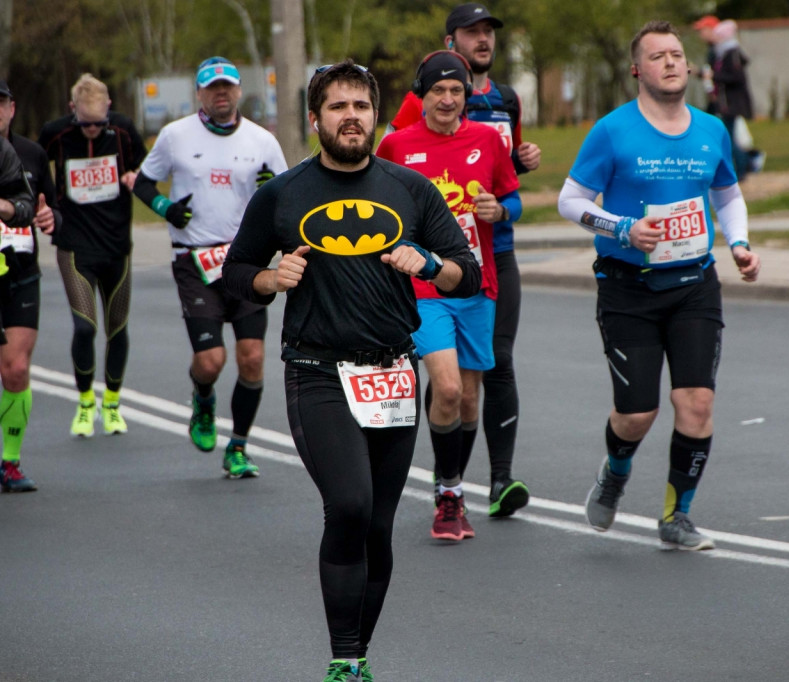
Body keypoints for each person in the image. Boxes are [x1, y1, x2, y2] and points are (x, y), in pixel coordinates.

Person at [222, 60, 480, 682]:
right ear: (316, 120)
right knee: (350, 503)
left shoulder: (409, 190)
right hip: (316, 370)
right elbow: (236, 274)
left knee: (380, 525)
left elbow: (464, 273)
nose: (351, 117)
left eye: (361, 106)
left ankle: (356, 657)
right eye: (337, 107)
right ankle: (343, 659)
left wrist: (428, 266)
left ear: (375, 115)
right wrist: (268, 277)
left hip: (392, 373)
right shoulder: (282, 195)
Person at [557, 20, 761, 551]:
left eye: (676, 54)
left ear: (688, 66)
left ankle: (677, 516)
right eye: (657, 56)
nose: (670, 62)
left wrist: (738, 242)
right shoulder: (612, 130)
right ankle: (615, 473)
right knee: (636, 413)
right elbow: (570, 201)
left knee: (695, 403)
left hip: (695, 283)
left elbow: (727, 195)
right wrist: (621, 228)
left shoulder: (711, 129)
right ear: (636, 70)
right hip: (628, 288)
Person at [387, 2, 539, 518]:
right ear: (422, 95)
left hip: (480, 277)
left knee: (471, 393)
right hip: (425, 284)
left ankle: (465, 480)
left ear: (467, 93)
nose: (448, 98)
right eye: (438, 91)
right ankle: (450, 491)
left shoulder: (489, 135)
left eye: (456, 90)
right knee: (446, 386)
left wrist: (501, 207)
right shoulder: (398, 144)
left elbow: (512, 197)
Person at [134, 57, 287, 479]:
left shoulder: (262, 140)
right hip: (194, 259)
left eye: (228, 87)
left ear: (239, 91)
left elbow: (287, 193)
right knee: (211, 360)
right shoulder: (174, 136)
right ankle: (203, 398)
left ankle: (237, 446)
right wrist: (165, 207)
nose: (221, 94)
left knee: (253, 358)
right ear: (199, 94)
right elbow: (143, 183)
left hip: (245, 260)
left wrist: (270, 192)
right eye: (212, 88)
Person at [38, 74, 147, 439]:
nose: (92, 130)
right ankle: (86, 401)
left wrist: (135, 176)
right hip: (74, 246)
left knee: (118, 329)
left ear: (109, 110)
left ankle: (112, 403)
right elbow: (36, 172)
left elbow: (147, 170)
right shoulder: (55, 133)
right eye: (85, 124)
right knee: (85, 327)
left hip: (117, 245)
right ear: (72, 112)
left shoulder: (123, 131)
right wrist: (48, 206)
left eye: (99, 123)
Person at [0, 80, 60, 493]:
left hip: (20, 270)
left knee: (17, 368)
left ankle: (10, 461)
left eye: (0, 104)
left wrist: (49, 217)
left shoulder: (29, 153)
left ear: (12, 107)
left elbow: (45, 203)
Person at [703, 19, 765, 181]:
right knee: (729, 135)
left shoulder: (731, 53)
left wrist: (714, 76)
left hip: (733, 104)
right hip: (727, 104)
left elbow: (735, 77)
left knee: (728, 137)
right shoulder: (723, 53)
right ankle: (746, 163)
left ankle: (745, 166)